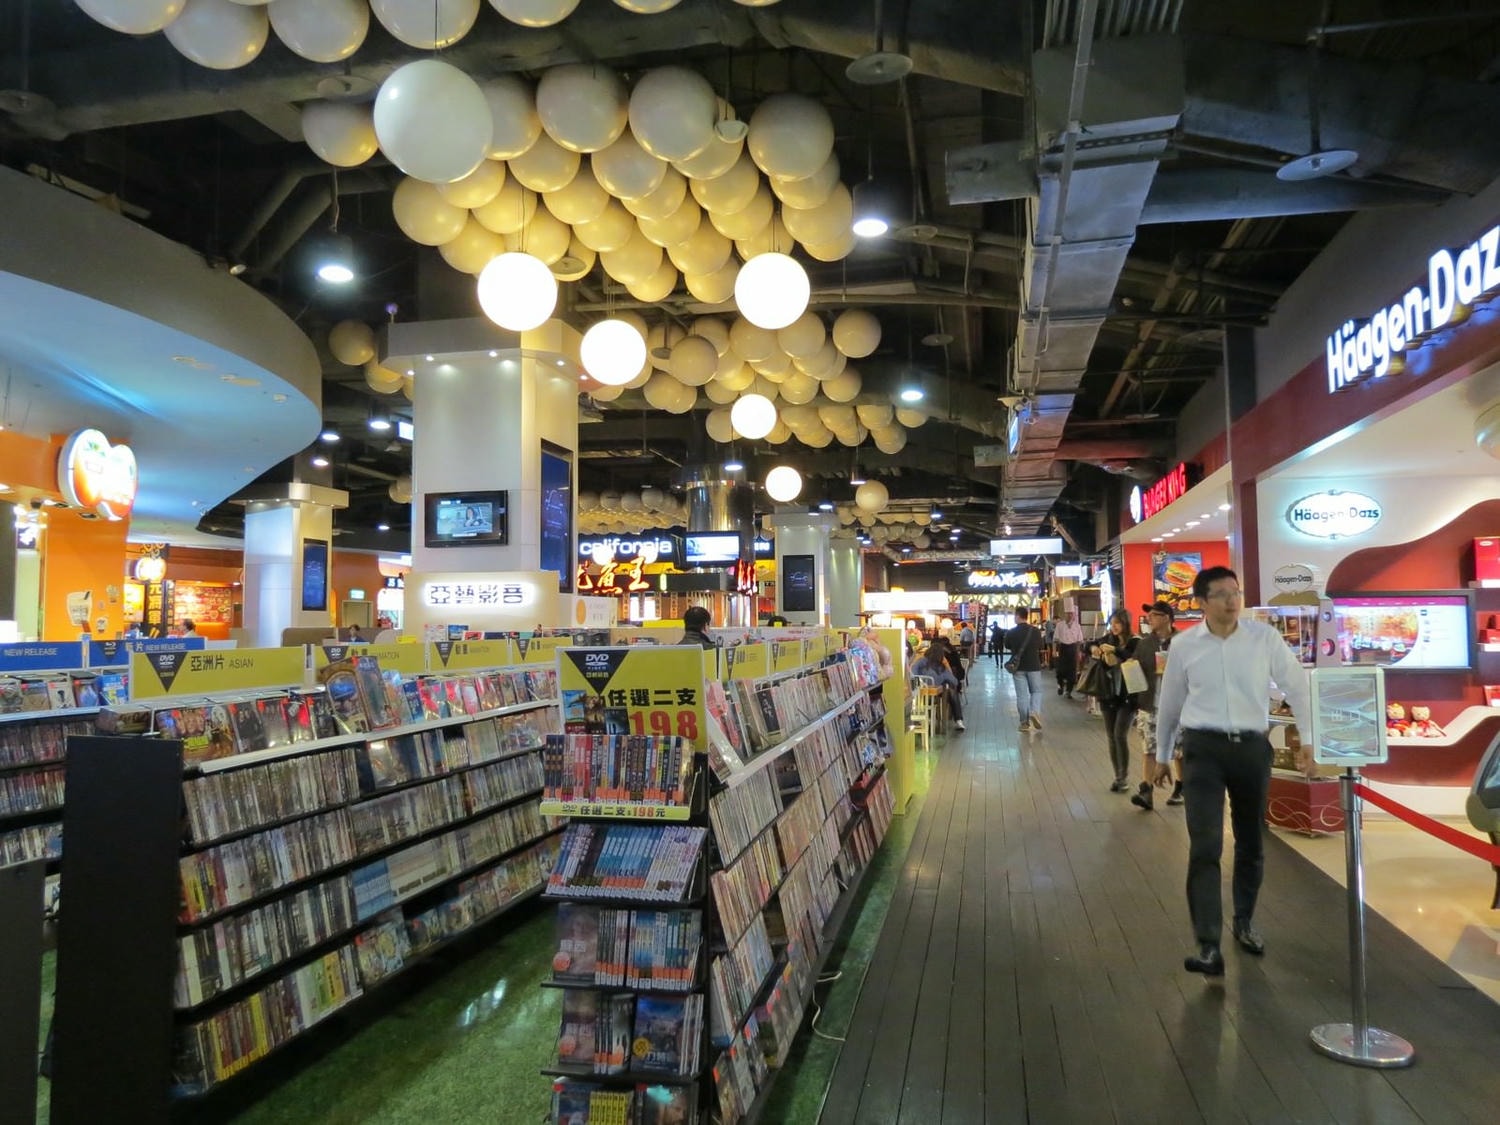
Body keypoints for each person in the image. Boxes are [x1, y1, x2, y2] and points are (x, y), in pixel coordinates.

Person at [1152, 566, 1311, 978]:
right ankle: (1208, 944)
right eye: (1221, 594)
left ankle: (1244, 920)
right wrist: (1162, 754)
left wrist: (1309, 740)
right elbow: (1170, 703)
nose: (1231, 600)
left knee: (1250, 840)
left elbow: (1297, 686)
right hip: (1202, 750)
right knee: (1205, 844)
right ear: (1202, 602)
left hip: (1251, 749)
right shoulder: (1185, 645)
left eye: (1235, 592)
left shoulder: (1264, 638)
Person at [1130, 602, 1183, 811]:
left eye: (1154, 615)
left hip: (1179, 706)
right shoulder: (1145, 644)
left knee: (1179, 749)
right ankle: (1146, 790)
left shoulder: (1183, 642)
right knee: (1149, 747)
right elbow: (1135, 667)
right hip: (1150, 703)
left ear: (1167, 617)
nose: (1149, 618)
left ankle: (1181, 787)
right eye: (1149, 615)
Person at [1091, 609, 1139, 791]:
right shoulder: (1107, 639)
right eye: (1112, 623)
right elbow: (1088, 645)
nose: (1114, 627)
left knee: (1120, 735)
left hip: (1128, 695)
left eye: (1117, 623)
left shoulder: (1134, 641)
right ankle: (1118, 777)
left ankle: (1123, 776)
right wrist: (1093, 648)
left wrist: (1115, 650)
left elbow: (1131, 656)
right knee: (1111, 736)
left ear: (1126, 623)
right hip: (1108, 693)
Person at [1003, 607, 1045, 732]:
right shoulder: (1035, 631)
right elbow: (1040, 645)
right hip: (1034, 666)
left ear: (1017, 616)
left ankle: (1024, 723)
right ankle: (1034, 712)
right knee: (1036, 691)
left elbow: (1007, 646)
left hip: (1018, 667)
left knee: (1022, 695)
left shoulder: (1011, 632)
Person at [911, 643, 965, 732]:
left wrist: (921, 682)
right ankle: (958, 720)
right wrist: (946, 665)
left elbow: (913, 672)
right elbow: (955, 681)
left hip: (919, 696)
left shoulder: (921, 662)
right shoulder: (941, 668)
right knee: (952, 690)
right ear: (941, 656)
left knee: (949, 689)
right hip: (934, 697)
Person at [1053, 611, 1085, 696]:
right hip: (1063, 648)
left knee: (1072, 671)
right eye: (1068, 613)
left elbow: (1079, 641)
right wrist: (1054, 650)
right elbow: (1055, 639)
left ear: (1073, 615)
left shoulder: (1077, 626)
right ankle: (1060, 685)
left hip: (1073, 648)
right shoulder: (1060, 625)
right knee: (1060, 669)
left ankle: (1068, 691)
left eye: (1071, 614)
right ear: (1065, 614)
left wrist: (1079, 652)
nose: (1069, 615)